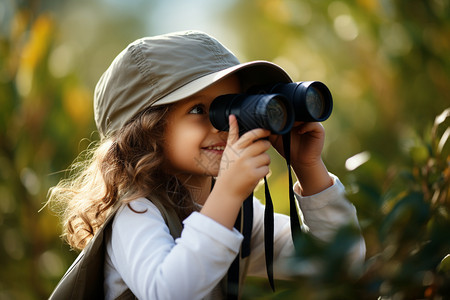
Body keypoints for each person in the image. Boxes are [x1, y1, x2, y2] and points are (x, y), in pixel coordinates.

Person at [48, 30, 365, 299]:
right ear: (145, 132)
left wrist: (308, 168)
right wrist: (227, 194)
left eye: (233, 106)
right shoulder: (136, 211)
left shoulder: (239, 213)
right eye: (199, 109)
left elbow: (338, 262)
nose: (223, 124)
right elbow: (168, 292)